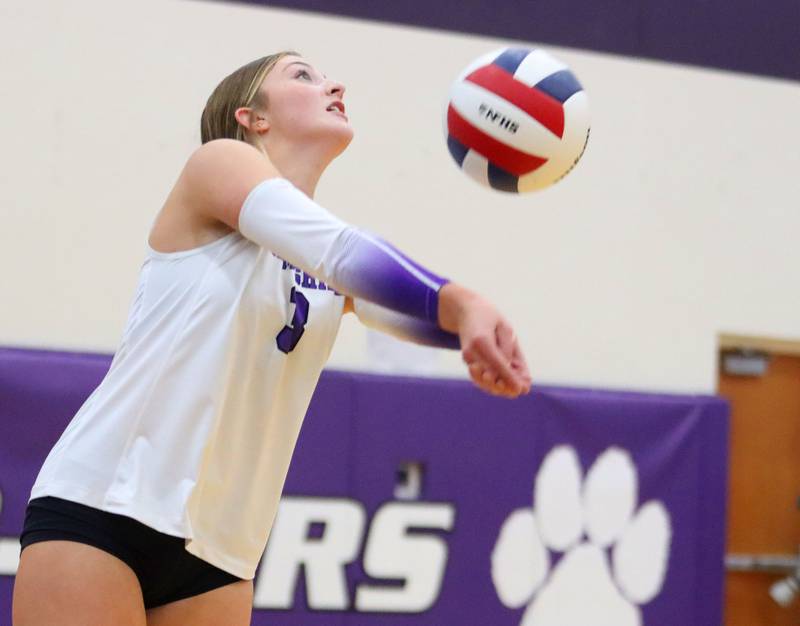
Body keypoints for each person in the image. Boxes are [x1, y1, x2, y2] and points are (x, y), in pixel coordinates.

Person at [11, 51, 531, 626]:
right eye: (303, 75)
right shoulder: (217, 163)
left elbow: (406, 304)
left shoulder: (326, 256)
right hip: (106, 501)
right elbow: (350, 255)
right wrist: (464, 303)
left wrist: (477, 337)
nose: (335, 84)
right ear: (251, 117)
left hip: (220, 547)